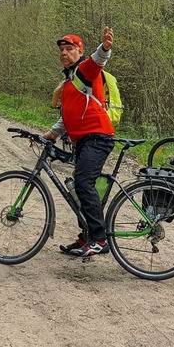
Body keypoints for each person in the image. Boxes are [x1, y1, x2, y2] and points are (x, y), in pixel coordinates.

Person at [43, 27, 115, 258]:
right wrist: (52, 134)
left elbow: (98, 60)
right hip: (84, 139)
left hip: (98, 136)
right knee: (79, 187)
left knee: (84, 183)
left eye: (69, 49)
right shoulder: (68, 81)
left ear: (79, 51)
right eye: (62, 50)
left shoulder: (84, 71)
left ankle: (100, 239)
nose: (64, 53)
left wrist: (105, 47)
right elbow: (68, 115)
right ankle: (87, 235)